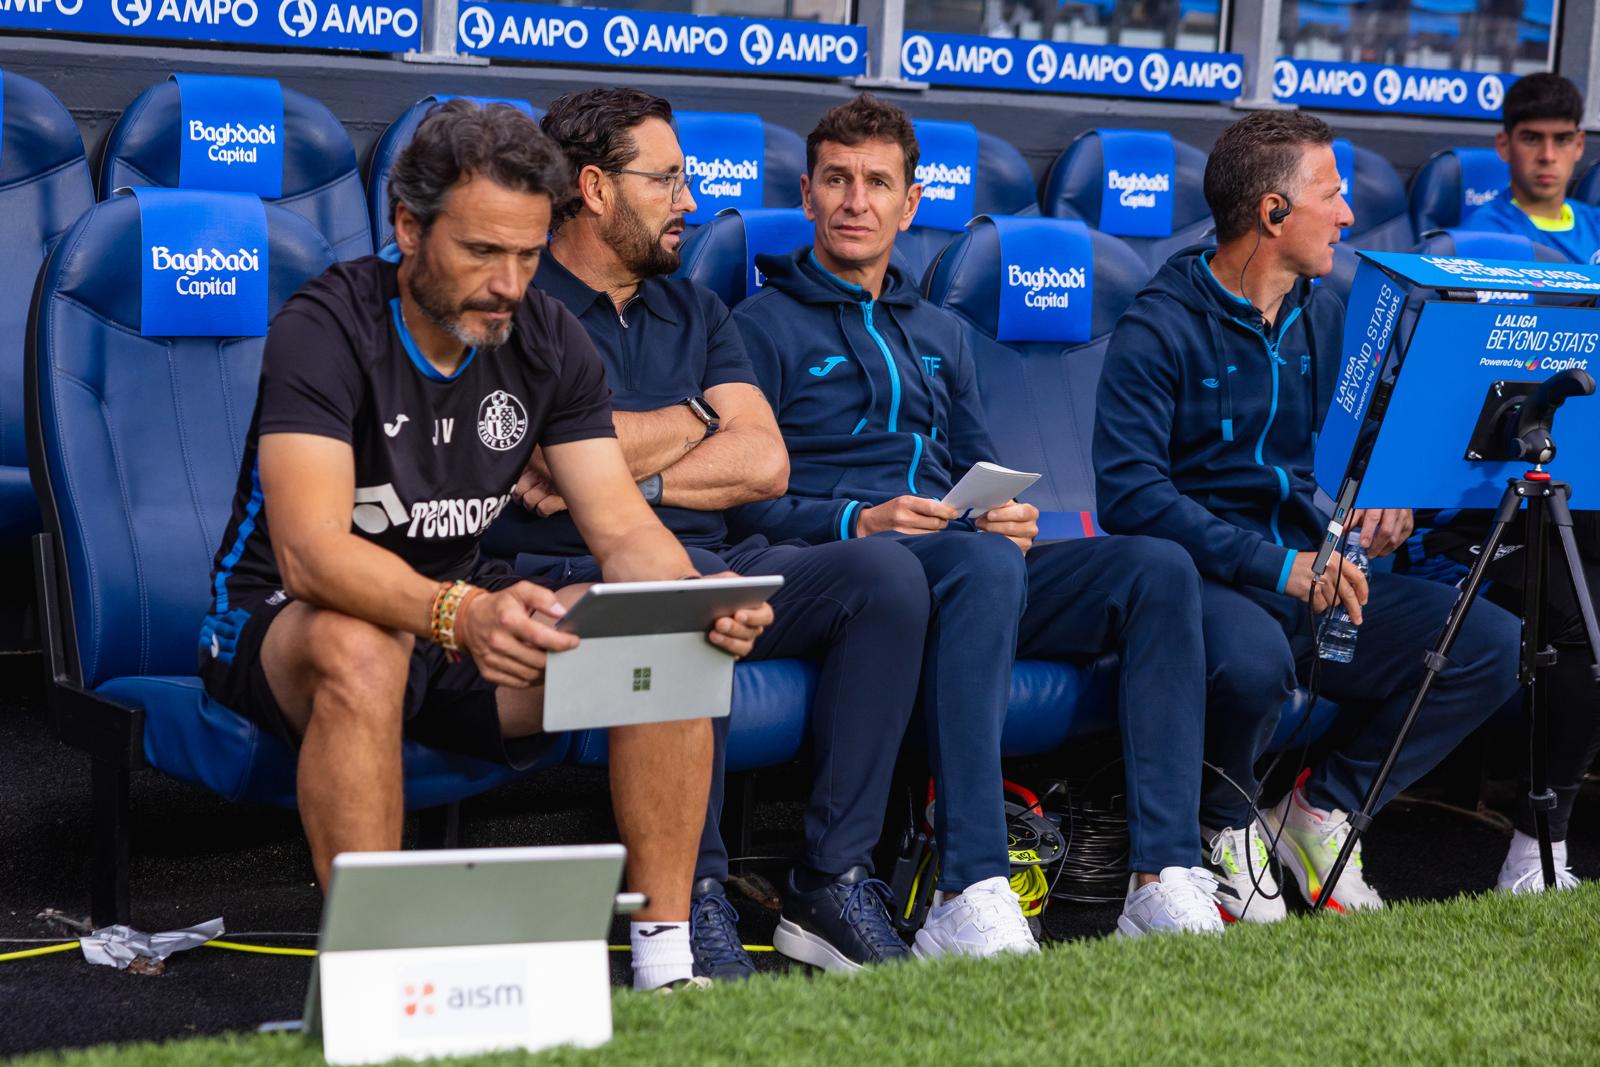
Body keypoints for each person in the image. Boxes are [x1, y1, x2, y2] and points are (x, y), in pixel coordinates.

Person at [197, 100, 772, 992]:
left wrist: (700, 600)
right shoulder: (326, 326)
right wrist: (455, 611)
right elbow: (310, 554)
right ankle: (375, 985)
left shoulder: (547, 338)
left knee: (659, 632)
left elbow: (622, 529)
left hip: (456, 618)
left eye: (529, 254)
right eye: (480, 251)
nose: (509, 282)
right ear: (407, 229)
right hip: (285, 625)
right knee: (362, 648)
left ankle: (667, 964)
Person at [731, 93, 1224, 947]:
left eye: (877, 182)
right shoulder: (755, 325)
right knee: (982, 567)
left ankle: (1161, 873)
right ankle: (970, 880)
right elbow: (741, 499)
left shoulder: (943, 332)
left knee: (1155, 569)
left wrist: (1008, 514)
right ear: (806, 195)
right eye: (837, 180)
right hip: (842, 568)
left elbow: (977, 467)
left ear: (911, 203)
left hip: (962, 561)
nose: (856, 201)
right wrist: (859, 516)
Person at [480, 87, 930, 977]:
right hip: (563, 561)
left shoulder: (695, 309)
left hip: (720, 544)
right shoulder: (519, 305)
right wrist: (694, 422)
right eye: (668, 180)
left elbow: (764, 461)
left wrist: (612, 455)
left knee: (884, 579)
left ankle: (832, 881)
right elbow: (530, 460)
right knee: (682, 588)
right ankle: (700, 892)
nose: (690, 201)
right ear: (597, 189)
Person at [1095, 110, 1522, 914]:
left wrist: (1390, 483)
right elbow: (1130, 494)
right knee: (1256, 659)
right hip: (1203, 584)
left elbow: (1378, 429)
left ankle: (1321, 807)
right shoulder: (1157, 323)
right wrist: (1278, 565)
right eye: (1331, 194)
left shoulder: (1326, 311)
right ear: (1273, 212)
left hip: (1311, 574)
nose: (1349, 213)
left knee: (1487, 643)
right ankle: (1219, 826)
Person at [1463, 72, 1600, 265]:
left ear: (1579, 145)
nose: (1548, 156)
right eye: (1531, 139)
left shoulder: (1596, 224)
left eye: (1562, 140)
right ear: (1504, 146)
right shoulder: (1482, 237)